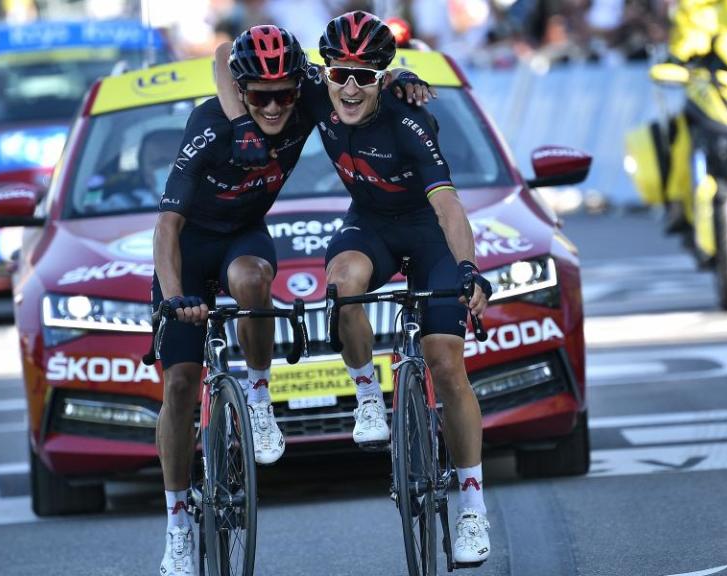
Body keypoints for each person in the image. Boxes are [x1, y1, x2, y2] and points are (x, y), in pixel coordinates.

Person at [215, 11, 493, 565]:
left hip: (430, 233)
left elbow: (449, 207)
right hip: (371, 223)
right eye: (340, 72)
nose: (348, 87)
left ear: (382, 79)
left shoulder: (408, 120)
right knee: (343, 283)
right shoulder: (315, 93)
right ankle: (370, 394)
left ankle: (471, 505)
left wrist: (468, 270)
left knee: (445, 360)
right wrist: (242, 125)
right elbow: (226, 56)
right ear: (325, 72)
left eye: (364, 76)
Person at [152, 25, 311, 576]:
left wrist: (403, 79)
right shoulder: (210, 124)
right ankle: (176, 520)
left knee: (250, 279)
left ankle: (260, 401)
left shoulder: (306, 96)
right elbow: (167, 226)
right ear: (241, 92)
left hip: (243, 234)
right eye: (259, 96)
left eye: (284, 94)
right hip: (191, 246)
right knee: (178, 385)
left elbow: (358, 89)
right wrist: (174, 298)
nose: (273, 106)